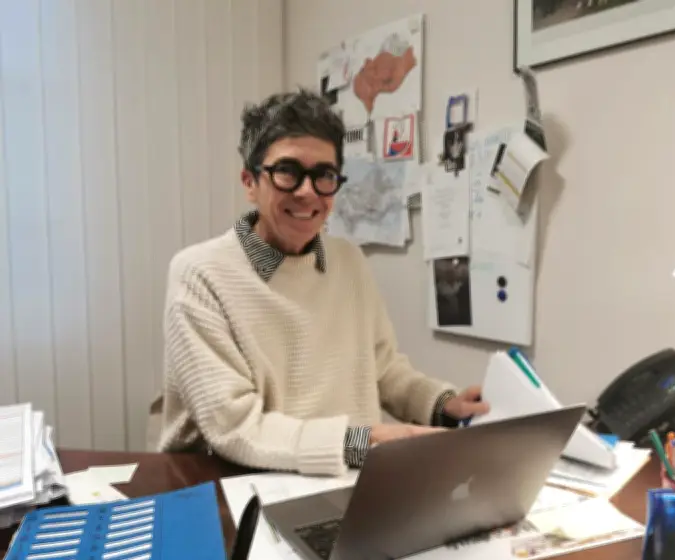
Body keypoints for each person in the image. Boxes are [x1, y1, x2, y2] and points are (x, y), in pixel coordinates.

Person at [157, 89, 489, 476]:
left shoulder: (349, 261)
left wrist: (444, 405)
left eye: (324, 176)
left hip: (342, 483)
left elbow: (383, 370)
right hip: (234, 486)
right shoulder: (200, 274)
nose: (307, 191)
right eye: (287, 172)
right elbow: (235, 426)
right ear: (250, 182)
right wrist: (364, 443)